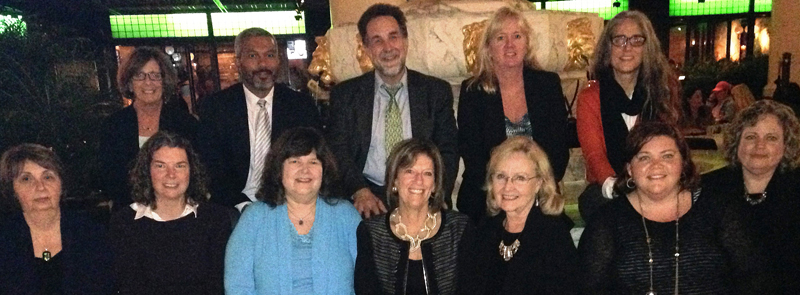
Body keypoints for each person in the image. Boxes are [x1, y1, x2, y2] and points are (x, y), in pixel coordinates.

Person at [578, 121, 766, 294]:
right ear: (629, 169)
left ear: (683, 164)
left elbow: (753, 278)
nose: (656, 165)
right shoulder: (606, 222)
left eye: (667, 156)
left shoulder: (719, 209)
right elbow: (589, 289)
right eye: (644, 158)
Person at [327, 4, 458, 218]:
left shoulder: (435, 92)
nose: (387, 47)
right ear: (367, 48)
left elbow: (448, 149)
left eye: (393, 37)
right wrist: (359, 190)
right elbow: (337, 150)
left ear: (405, 42)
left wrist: (436, 193)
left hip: (421, 191)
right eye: (377, 40)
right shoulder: (345, 95)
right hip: (367, 195)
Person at [457, 7, 569, 223]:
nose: (510, 45)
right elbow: (472, 155)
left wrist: (533, 190)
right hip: (488, 195)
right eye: (501, 38)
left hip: (538, 193)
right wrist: (504, 194)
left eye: (517, 36)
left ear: (526, 44)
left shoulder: (547, 85)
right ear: (489, 48)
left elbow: (558, 150)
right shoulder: (473, 91)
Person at [197, 27, 322, 211]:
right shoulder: (216, 108)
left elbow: (315, 160)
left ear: (279, 60)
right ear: (238, 61)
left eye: (270, 55)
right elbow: (212, 169)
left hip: (290, 201)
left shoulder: (300, 106)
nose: (263, 64)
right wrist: (243, 205)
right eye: (253, 56)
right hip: (235, 205)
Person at [225, 127, 361, 294]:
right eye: (295, 161)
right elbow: (237, 286)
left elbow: (366, 282)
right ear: (279, 169)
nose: (305, 170)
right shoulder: (254, 218)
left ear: (324, 170)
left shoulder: (346, 216)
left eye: (313, 162)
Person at [576, 11, 681, 222]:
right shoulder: (590, 97)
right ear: (608, 48)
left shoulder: (662, 91)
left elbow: (671, 150)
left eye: (636, 40)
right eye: (619, 39)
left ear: (647, 47)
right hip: (610, 189)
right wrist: (619, 188)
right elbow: (594, 155)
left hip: (655, 182)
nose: (627, 47)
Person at [110, 132, 234, 295]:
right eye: (160, 166)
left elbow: (217, 287)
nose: (171, 174)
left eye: (180, 165)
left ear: (192, 171)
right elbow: (128, 287)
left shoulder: (216, 220)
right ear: (147, 171)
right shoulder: (124, 223)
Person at [702, 100, 800, 294]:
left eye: (771, 138)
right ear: (737, 142)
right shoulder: (708, 188)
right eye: (751, 137)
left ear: (786, 145)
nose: (759, 145)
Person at [458, 136, 577, 294]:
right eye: (501, 176)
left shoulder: (554, 235)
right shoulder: (484, 230)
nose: (508, 187)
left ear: (538, 184)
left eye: (520, 178)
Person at [354, 138, 474, 294]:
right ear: (395, 180)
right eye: (409, 171)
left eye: (427, 173)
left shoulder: (459, 229)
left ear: (435, 185)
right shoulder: (371, 233)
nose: (419, 180)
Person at [0, 144, 113, 294]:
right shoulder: (4, 238)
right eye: (26, 179)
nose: (40, 187)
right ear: (13, 190)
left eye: (48, 177)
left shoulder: (91, 233)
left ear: (61, 184)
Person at [99, 46, 198, 210]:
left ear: (164, 82)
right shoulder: (113, 126)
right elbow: (110, 179)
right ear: (130, 83)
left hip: (178, 210)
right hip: (129, 213)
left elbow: (195, 174)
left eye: (155, 76)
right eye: (140, 76)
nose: (148, 82)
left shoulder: (185, 124)